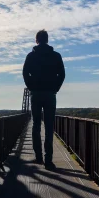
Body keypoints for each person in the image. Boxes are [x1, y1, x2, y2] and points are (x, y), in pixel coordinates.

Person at [22, 29, 65, 171]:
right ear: (47, 40)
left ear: (36, 40)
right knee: (48, 126)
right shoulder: (56, 56)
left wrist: (31, 87)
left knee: (35, 125)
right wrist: (55, 89)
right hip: (50, 95)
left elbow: (25, 73)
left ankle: (38, 157)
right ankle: (48, 160)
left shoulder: (31, 56)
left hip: (36, 94)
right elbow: (62, 74)